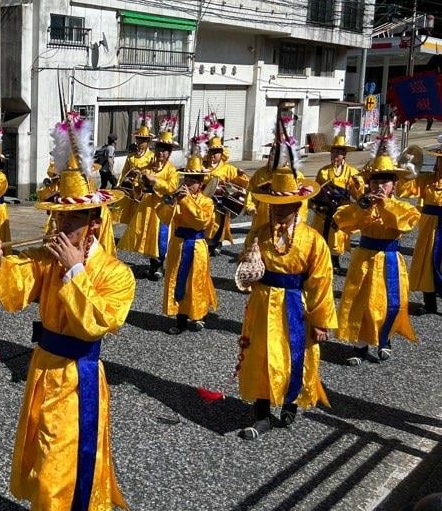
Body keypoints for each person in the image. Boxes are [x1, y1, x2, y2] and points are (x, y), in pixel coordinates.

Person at [0, 115, 134, 511]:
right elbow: (15, 289)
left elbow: (98, 322)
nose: (61, 226)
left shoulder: (114, 273)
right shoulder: (47, 261)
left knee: (78, 455)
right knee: (46, 454)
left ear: (93, 222)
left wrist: (74, 272)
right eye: (58, 216)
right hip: (43, 368)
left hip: (80, 375)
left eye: (71, 218)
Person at [234, 165, 335, 440]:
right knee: (261, 355)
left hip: (295, 303)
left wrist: (321, 320)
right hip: (263, 302)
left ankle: (290, 403)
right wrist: (248, 268)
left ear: (297, 205)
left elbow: (321, 281)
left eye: (284, 206)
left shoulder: (312, 240)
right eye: (274, 206)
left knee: (293, 354)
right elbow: (248, 264)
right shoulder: (260, 234)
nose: (277, 211)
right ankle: (261, 413)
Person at [333, 145, 420, 364]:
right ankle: (359, 345)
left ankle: (385, 339)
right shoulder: (364, 205)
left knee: (390, 302)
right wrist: (362, 207)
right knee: (360, 300)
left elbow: (407, 223)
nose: (379, 186)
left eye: (384, 183)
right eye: (374, 182)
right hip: (364, 257)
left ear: (394, 185)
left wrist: (387, 204)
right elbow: (343, 221)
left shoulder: (401, 206)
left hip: (389, 257)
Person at [160, 149, 217, 334]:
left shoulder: (207, 202)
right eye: (186, 180)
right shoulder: (179, 199)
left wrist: (185, 202)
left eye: (192, 181)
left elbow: (201, 220)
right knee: (177, 280)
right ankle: (180, 319)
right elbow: (164, 217)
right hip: (178, 244)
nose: (187, 184)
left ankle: (198, 315)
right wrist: (171, 203)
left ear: (200, 184)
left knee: (196, 281)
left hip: (197, 245)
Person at [118, 119, 179, 280]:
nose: (161, 154)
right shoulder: (147, 168)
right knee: (148, 237)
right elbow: (137, 186)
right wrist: (135, 187)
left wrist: (155, 181)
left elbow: (172, 187)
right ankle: (154, 265)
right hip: (147, 207)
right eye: (159, 150)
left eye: (164, 151)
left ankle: (159, 265)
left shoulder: (171, 169)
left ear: (169, 153)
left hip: (162, 209)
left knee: (161, 237)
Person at [310, 123, 364, 275]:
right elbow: (316, 189)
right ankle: (319, 262)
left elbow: (357, 193)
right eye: (333, 152)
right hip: (324, 210)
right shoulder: (323, 171)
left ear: (344, 155)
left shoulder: (352, 172)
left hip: (340, 210)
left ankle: (335, 262)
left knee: (336, 239)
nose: (335, 155)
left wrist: (359, 189)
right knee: (321, 236)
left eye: (339, 152)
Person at [406, 138, 442, 316]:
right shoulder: (426, 180)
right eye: (440, 160)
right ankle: (430, 304)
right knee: (427, 261)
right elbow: (404, 190)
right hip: (429, 228)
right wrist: (410, 172)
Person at [204, 135, 250, 256]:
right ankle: (206, 243)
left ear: (221, 153)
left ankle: (215, 243)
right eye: (211, 151)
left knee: (216, 224)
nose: (213, 155)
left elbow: (241, 183)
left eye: (216, 152)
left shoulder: (228, 168)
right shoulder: (202, 166)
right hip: (204, 202)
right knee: (204, 223)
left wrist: (240, 175)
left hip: (219, 203)